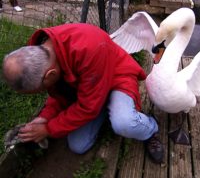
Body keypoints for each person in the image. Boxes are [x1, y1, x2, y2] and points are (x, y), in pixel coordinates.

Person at [2, 23, 164, 163]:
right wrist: (44, 117)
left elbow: (87, 106)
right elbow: (58, 94)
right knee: (78, 145)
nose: (44, 91)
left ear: (50, 75)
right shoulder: (43, 55)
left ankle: (150, 129)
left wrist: (48, 129)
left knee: (124, 122)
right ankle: (109, 108)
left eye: (40, 89)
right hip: (91, 90)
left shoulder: (89, 48)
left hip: (116, 78)